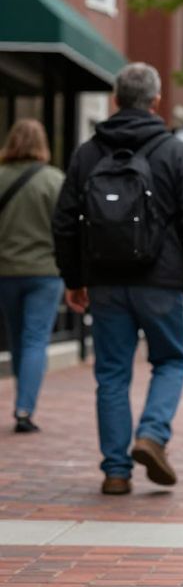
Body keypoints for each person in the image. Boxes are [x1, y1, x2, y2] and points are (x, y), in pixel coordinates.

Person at [52, 62, 183, 496]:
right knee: (170, 361)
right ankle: (151, 434)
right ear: (156, 101)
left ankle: (115, 470)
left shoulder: (88, 152)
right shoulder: (175, 152)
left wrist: (74, 278)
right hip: (161, 281)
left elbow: (66, 222)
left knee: (111, 373)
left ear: (116, 100)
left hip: (104, 281)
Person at [0, 120, 66, 433]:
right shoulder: (54, 181)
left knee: (16, 339)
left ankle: (21, 400)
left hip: (5, 270)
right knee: (35, 339)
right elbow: (66, 230)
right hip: (45, 273)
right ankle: (24, 408)